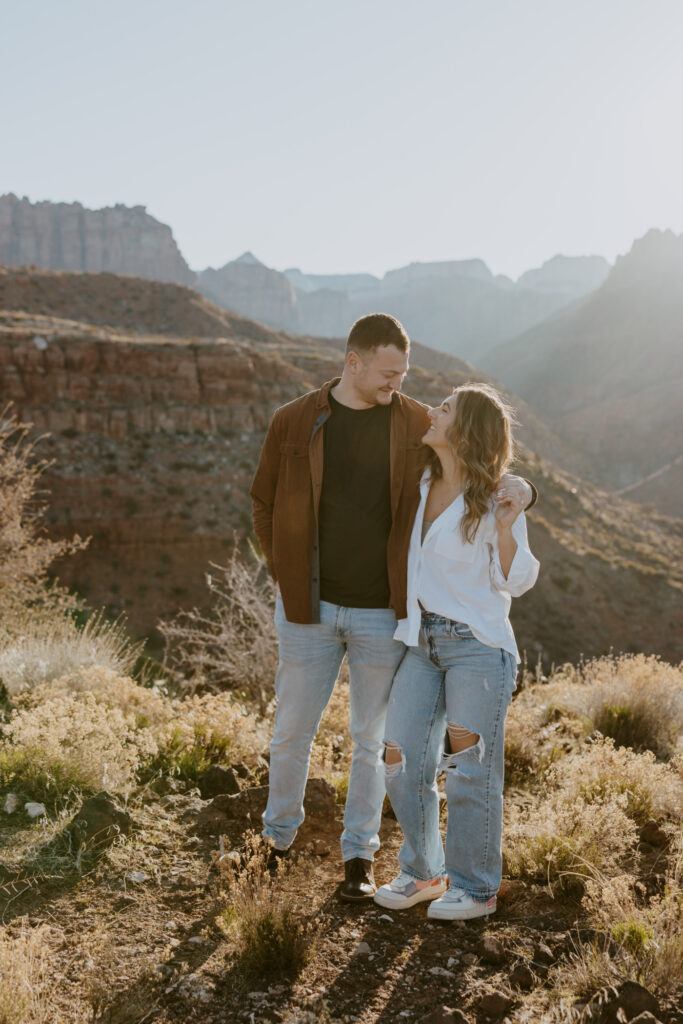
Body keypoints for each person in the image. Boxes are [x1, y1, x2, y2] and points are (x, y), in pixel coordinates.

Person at [250, 315, 535, 901]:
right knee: (291, 732)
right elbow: (263, 500)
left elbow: (478, 460)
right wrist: (284, 575)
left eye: (404, 374)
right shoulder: (295, 420)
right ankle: (277, 841)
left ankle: (359, 856)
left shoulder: (411, 423)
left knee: (371, 740)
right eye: (388, 373)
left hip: (386, 614)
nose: (401, 386)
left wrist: (527, 491)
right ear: (352, 362)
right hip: (309, 608)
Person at [373, 382, 539, 920]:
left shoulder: (495, 499)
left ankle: (475, 888)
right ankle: (424, 872)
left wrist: (512, 523)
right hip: (421, 642)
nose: (432, 412)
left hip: (478, 650)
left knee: (470, 769)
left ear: (463, 429)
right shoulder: (419, 481)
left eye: (444, 409)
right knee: (399, 757)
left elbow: (517, 581)